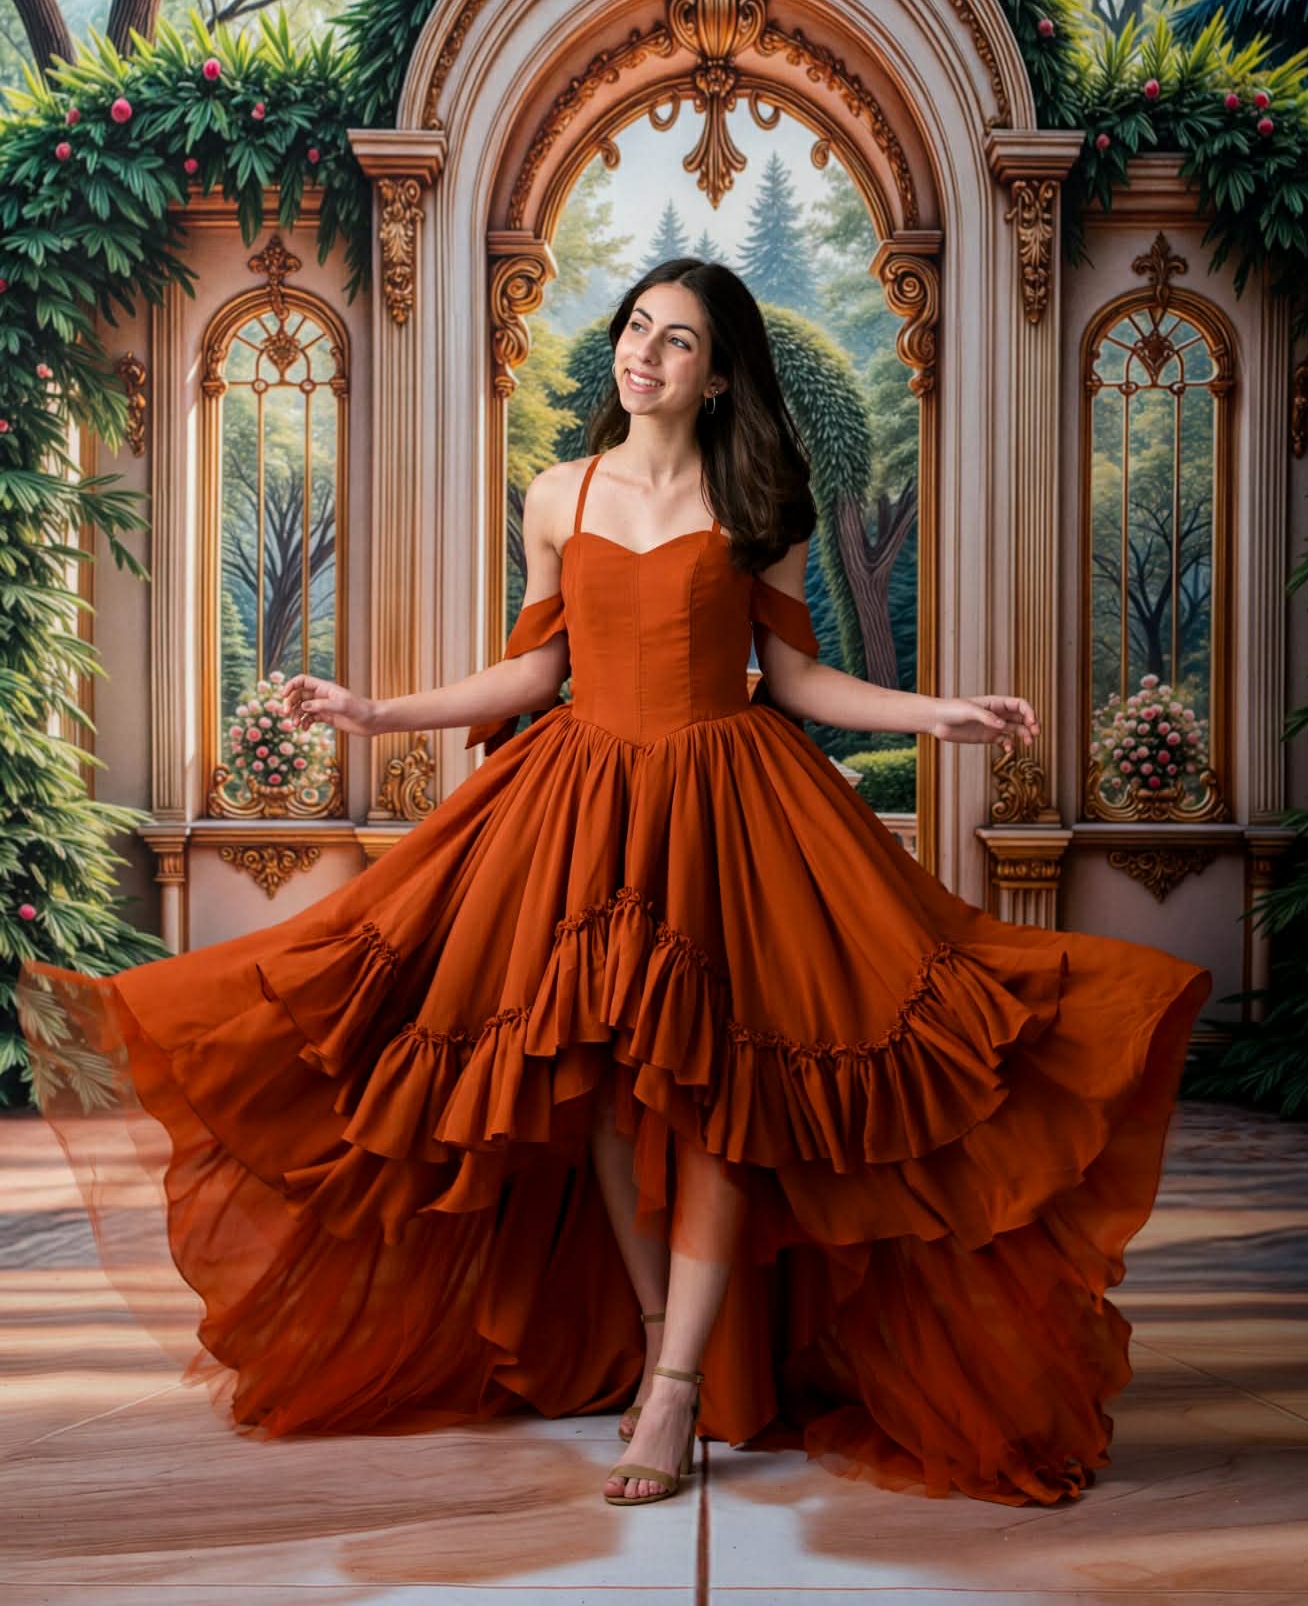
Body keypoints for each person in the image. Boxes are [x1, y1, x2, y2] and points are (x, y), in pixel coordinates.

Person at [18, 256, 1213, 1511]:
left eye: (676, 340)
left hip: (725, 807)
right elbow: (532, 676)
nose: (641, 352)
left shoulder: (759, 499)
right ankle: (654, 1336)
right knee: (587, 1083)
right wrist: (376, 709)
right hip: (582, 804)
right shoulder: (556, 493)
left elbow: (797, 683)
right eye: (636, 327)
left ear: (716, 375)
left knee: (716, 1095)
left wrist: (940, 712)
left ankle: (682, 1383)